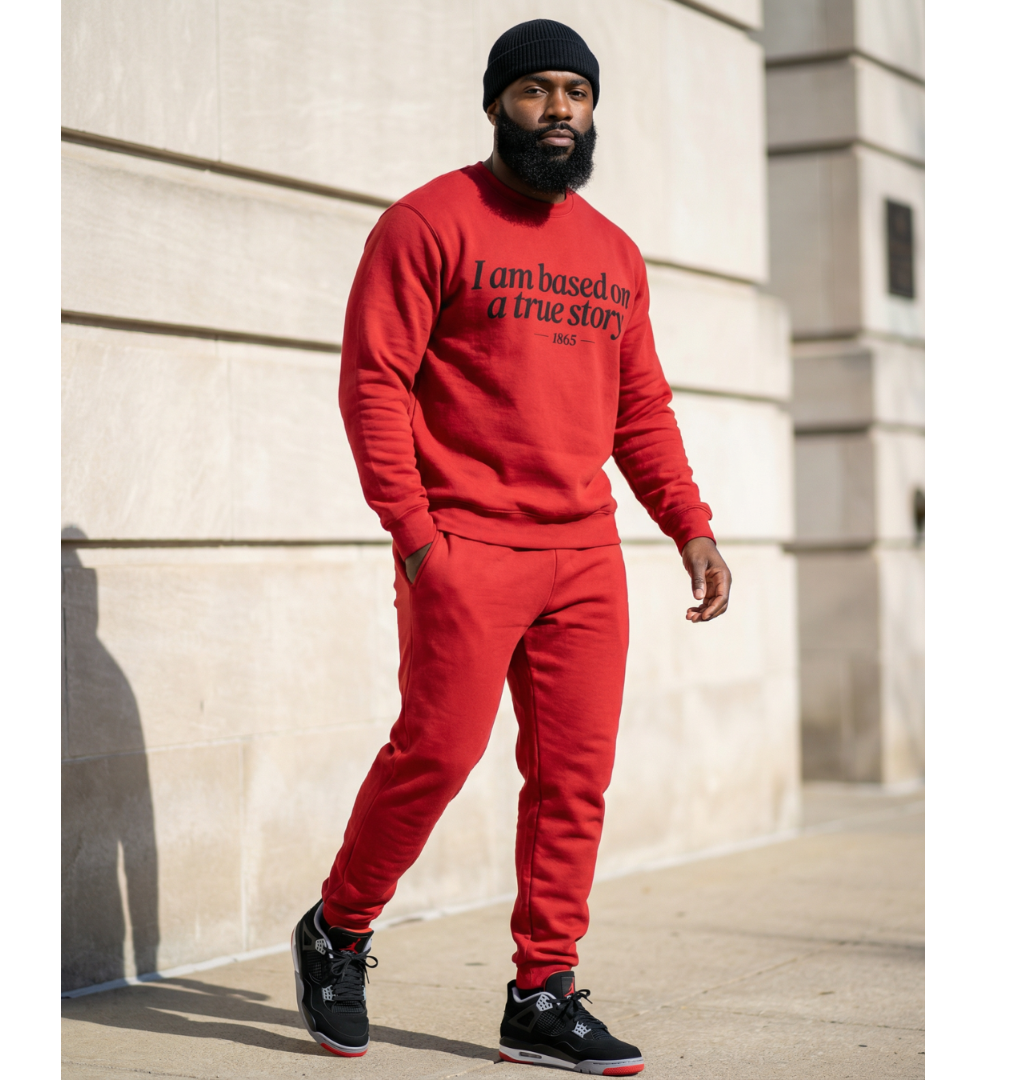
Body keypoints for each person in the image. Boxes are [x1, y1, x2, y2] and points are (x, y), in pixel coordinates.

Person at [291, 18, 731, 1074]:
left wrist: (690, 524)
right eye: (536, 91)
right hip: (463, 545)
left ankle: (543, 991)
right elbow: (373, 386)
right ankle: (338, 930)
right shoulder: (426, 223)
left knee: (574, 777)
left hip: (584, 556)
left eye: (576, 93)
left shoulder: (614, 254)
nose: (559, 112)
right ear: (497, 103)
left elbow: (641, 409)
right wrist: (416, 540)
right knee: (437, 753)